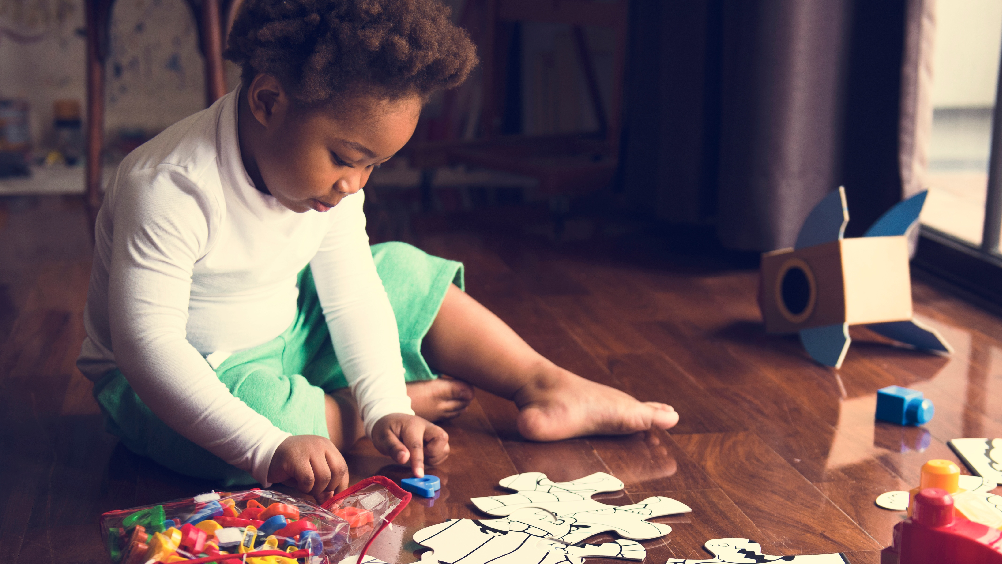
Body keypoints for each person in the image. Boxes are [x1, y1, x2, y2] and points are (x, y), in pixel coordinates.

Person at [77, 0, 678, 503]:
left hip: (285, 334)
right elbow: (147, 347)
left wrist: (388, 401)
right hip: (173, 378)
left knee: (400, 271)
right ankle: (344, 415)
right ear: (267, 102)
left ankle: (542, 383)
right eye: (344, 157)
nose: (355, 183)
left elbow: (352, 293)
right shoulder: (168, 185)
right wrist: (268, 445)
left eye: (372, 166)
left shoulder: (331, 187)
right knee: (269, 420)